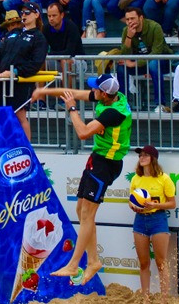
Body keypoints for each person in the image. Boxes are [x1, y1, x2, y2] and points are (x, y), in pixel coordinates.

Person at [30, 73, 132, 286]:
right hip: (97, 158)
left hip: (107, 163)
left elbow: (83, 132)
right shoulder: (109, 96)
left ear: (104, 93)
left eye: (96, 89)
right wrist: (43, 92)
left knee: (87, 213)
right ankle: (94, 261)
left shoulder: (114, 112)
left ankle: (75, 264)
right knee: (81, 211)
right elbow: (73, 93)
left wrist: (72, 109)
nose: (92, 91)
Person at [0, 2, 48, 139]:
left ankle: (26, 153)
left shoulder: (38, 38)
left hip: (20, 82)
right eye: (22, 12)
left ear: (36, 15)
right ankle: (3, 149)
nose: (24, 15)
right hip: (2, 80)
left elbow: (35, 64)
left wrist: (14, 72)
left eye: (27, 12)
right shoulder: (13, 33)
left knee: (20, 115)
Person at [127, 145, 175, 304]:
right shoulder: (136, 178)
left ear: (153, 159)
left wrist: (154, 205)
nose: (141, 157)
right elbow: (131, 199)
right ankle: (146, 299)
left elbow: (172, 203)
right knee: (143, 263)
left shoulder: (164, 178)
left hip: (158, 219)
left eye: (145, 155)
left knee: (161, 262)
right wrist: (134, 206)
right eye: (140, 155)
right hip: (140, 219)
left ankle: (163, 300)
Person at [107, 6, 171, 112]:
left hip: (161, 62)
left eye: (132, 18)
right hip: (142, 64)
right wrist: (129, 37)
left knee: (153, 64)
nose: (130, 22)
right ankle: (123, 103)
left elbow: (156, 53)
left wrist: (134, 64)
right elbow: (125, 54)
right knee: (121, 67)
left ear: (141, 18)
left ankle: (160, 104)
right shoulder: (126, 31)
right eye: (127, 19)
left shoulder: (155, 27)